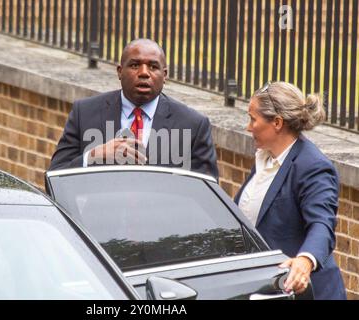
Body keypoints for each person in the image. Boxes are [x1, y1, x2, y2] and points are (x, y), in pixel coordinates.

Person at [235, 81, 346, 300]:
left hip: (309, 293)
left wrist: (305, 260)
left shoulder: (313, 166)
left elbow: (322, 224)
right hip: (271, 289)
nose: (248, 127)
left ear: (277, 122)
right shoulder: (265, 158)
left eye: (252, 119)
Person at [48, 39, 218, 179]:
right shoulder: (84, 113)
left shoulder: (193, 125)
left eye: (153, 66)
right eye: (135, 65)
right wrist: (93, 157)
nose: (144, 73)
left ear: (164, 75)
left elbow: (206, 193)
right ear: (120, 72)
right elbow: (55, 174)